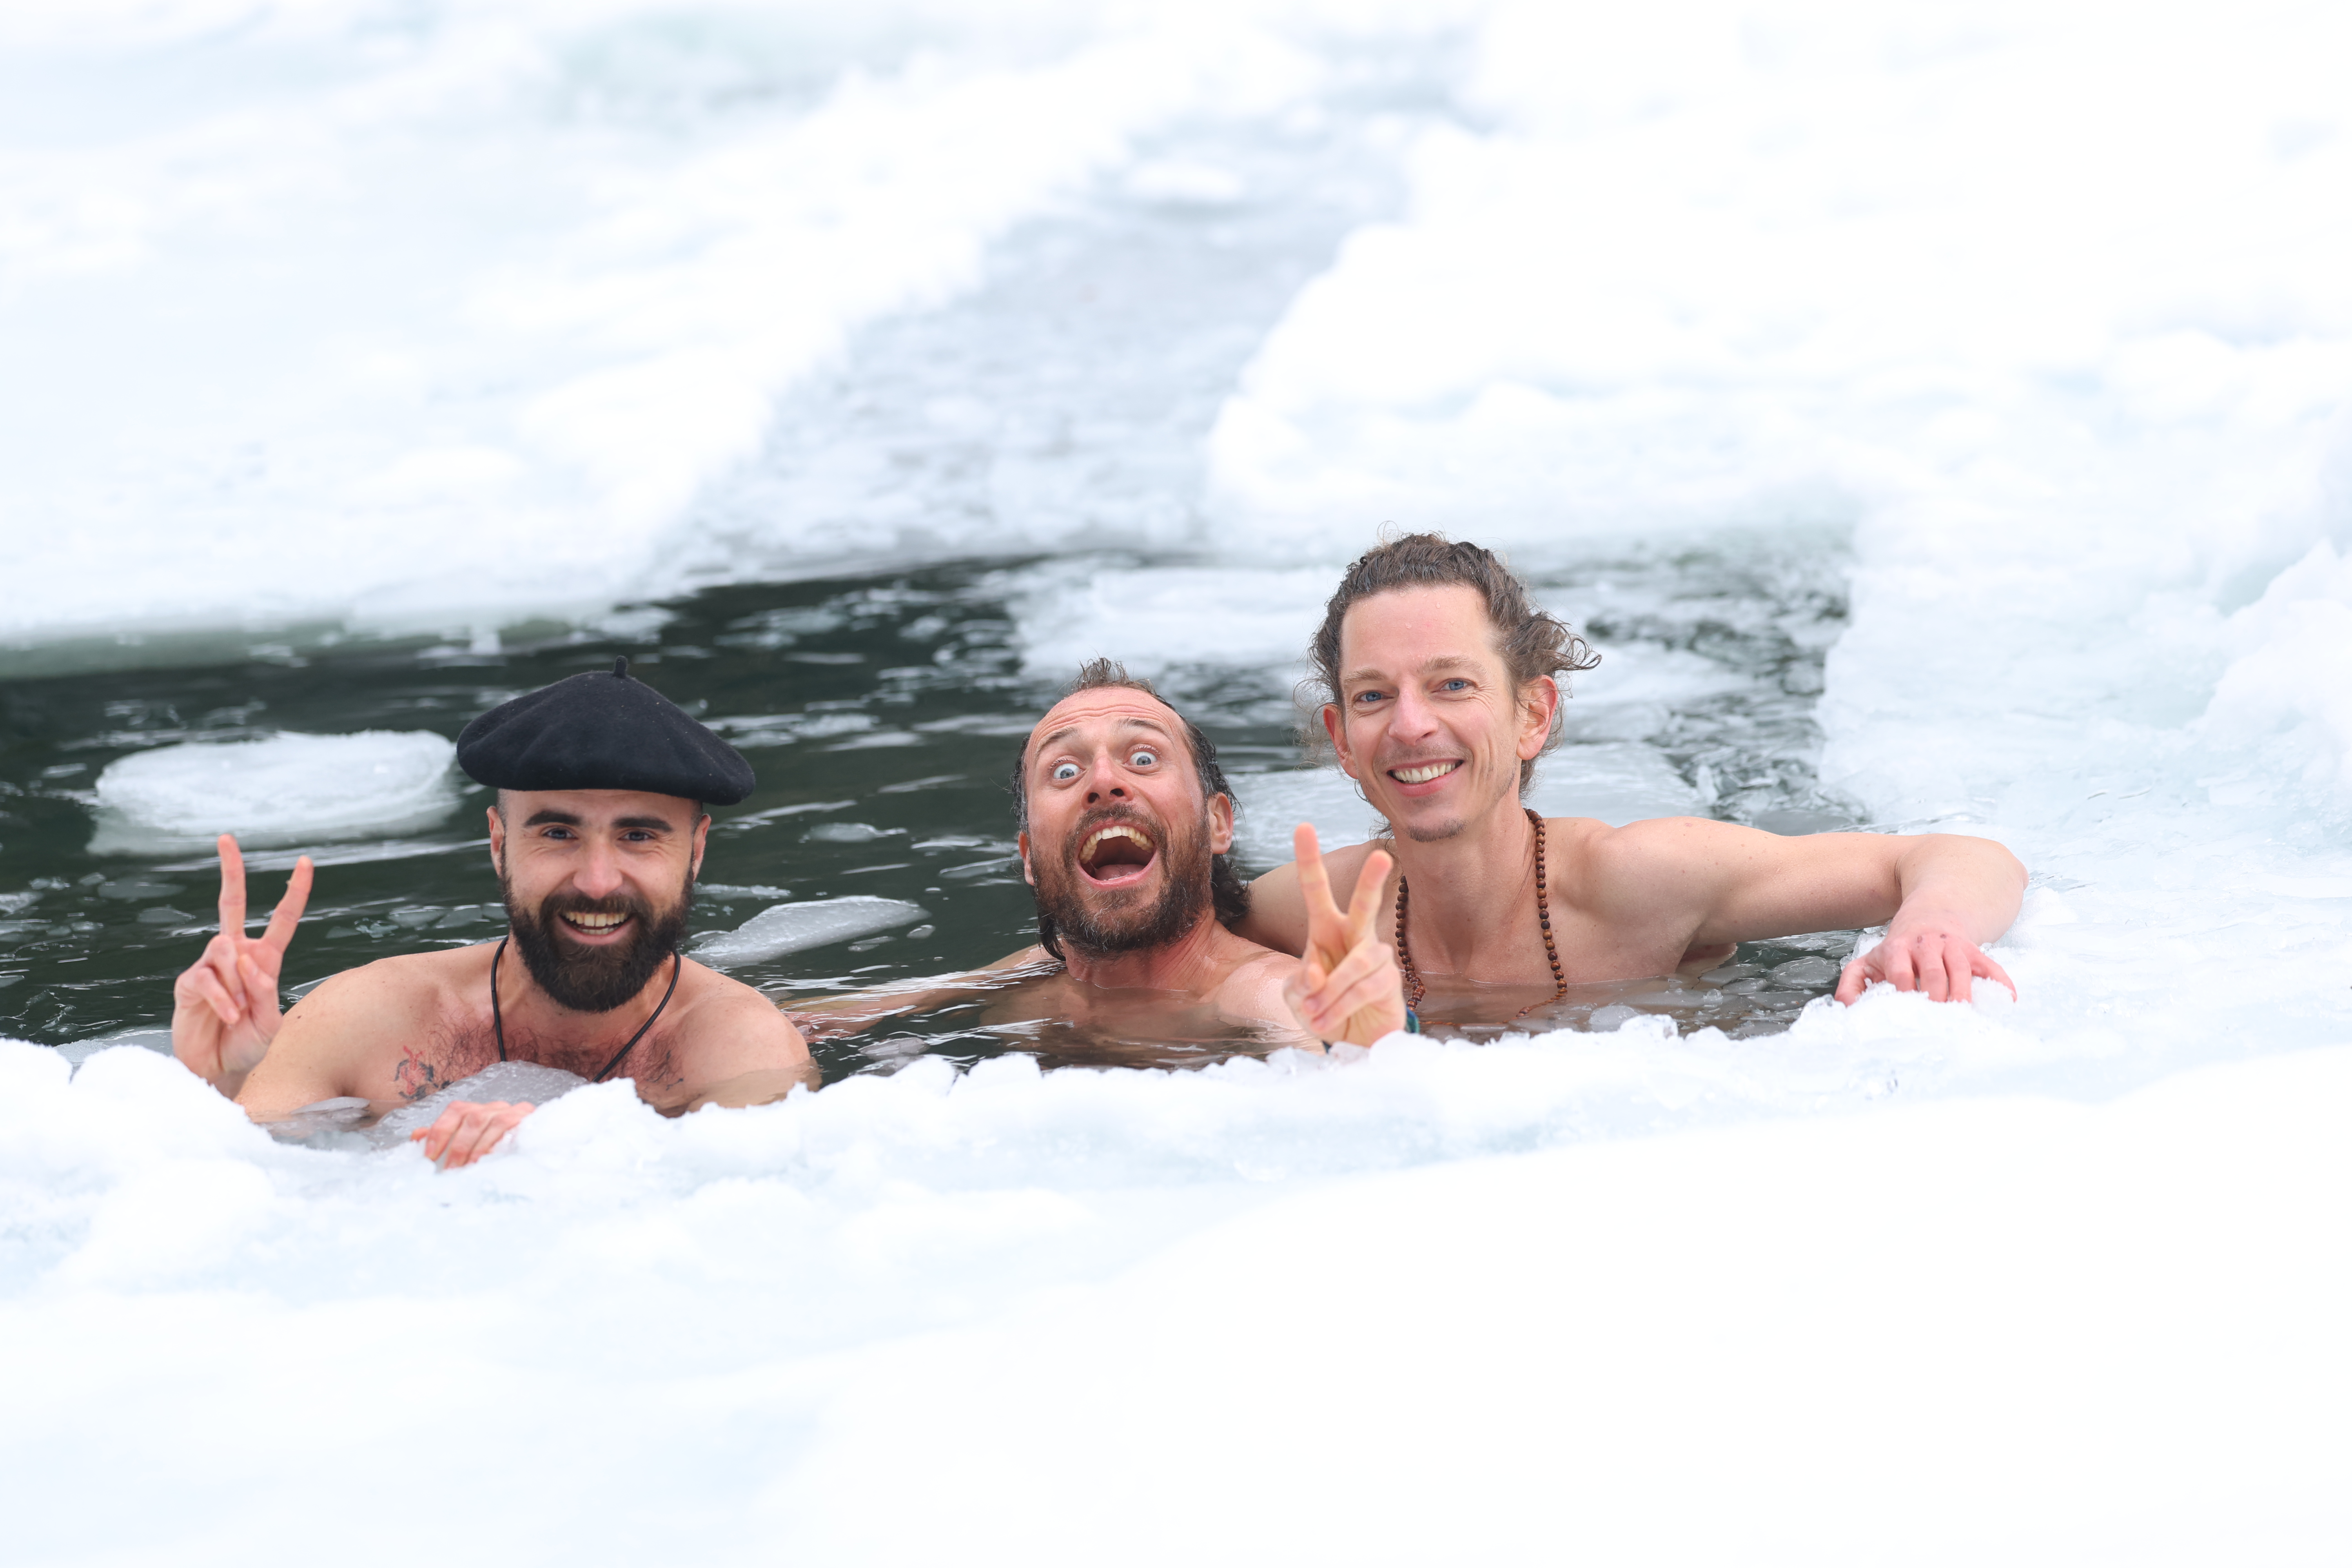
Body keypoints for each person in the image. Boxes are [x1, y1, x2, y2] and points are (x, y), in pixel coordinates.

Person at [1239, 535, 2027, 1020]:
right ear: (1343, 740)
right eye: (1373, 696)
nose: (1411, 724)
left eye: (1452, 684)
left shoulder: (1639, 883)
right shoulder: (1300, 912)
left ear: (1532, 715)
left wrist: (1929, 931)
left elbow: (1961, 856)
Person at [170, 659, 816, 1169]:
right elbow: (234, 1199)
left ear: (695, 852)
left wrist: (564, 1156)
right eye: (557, 834)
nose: (597, 882)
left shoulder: (740, 1050)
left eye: (638, 836)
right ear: (499, 842)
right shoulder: (363, 1019)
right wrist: (219, 1085)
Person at [790, 660, 1404, 1054]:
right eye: (1064, 770)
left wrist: (1351, 1048)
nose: (1105, 782)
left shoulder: (1263, 997)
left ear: (1217, 823)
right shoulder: (1019, 996)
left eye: (1144, 758)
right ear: (1031, 859)